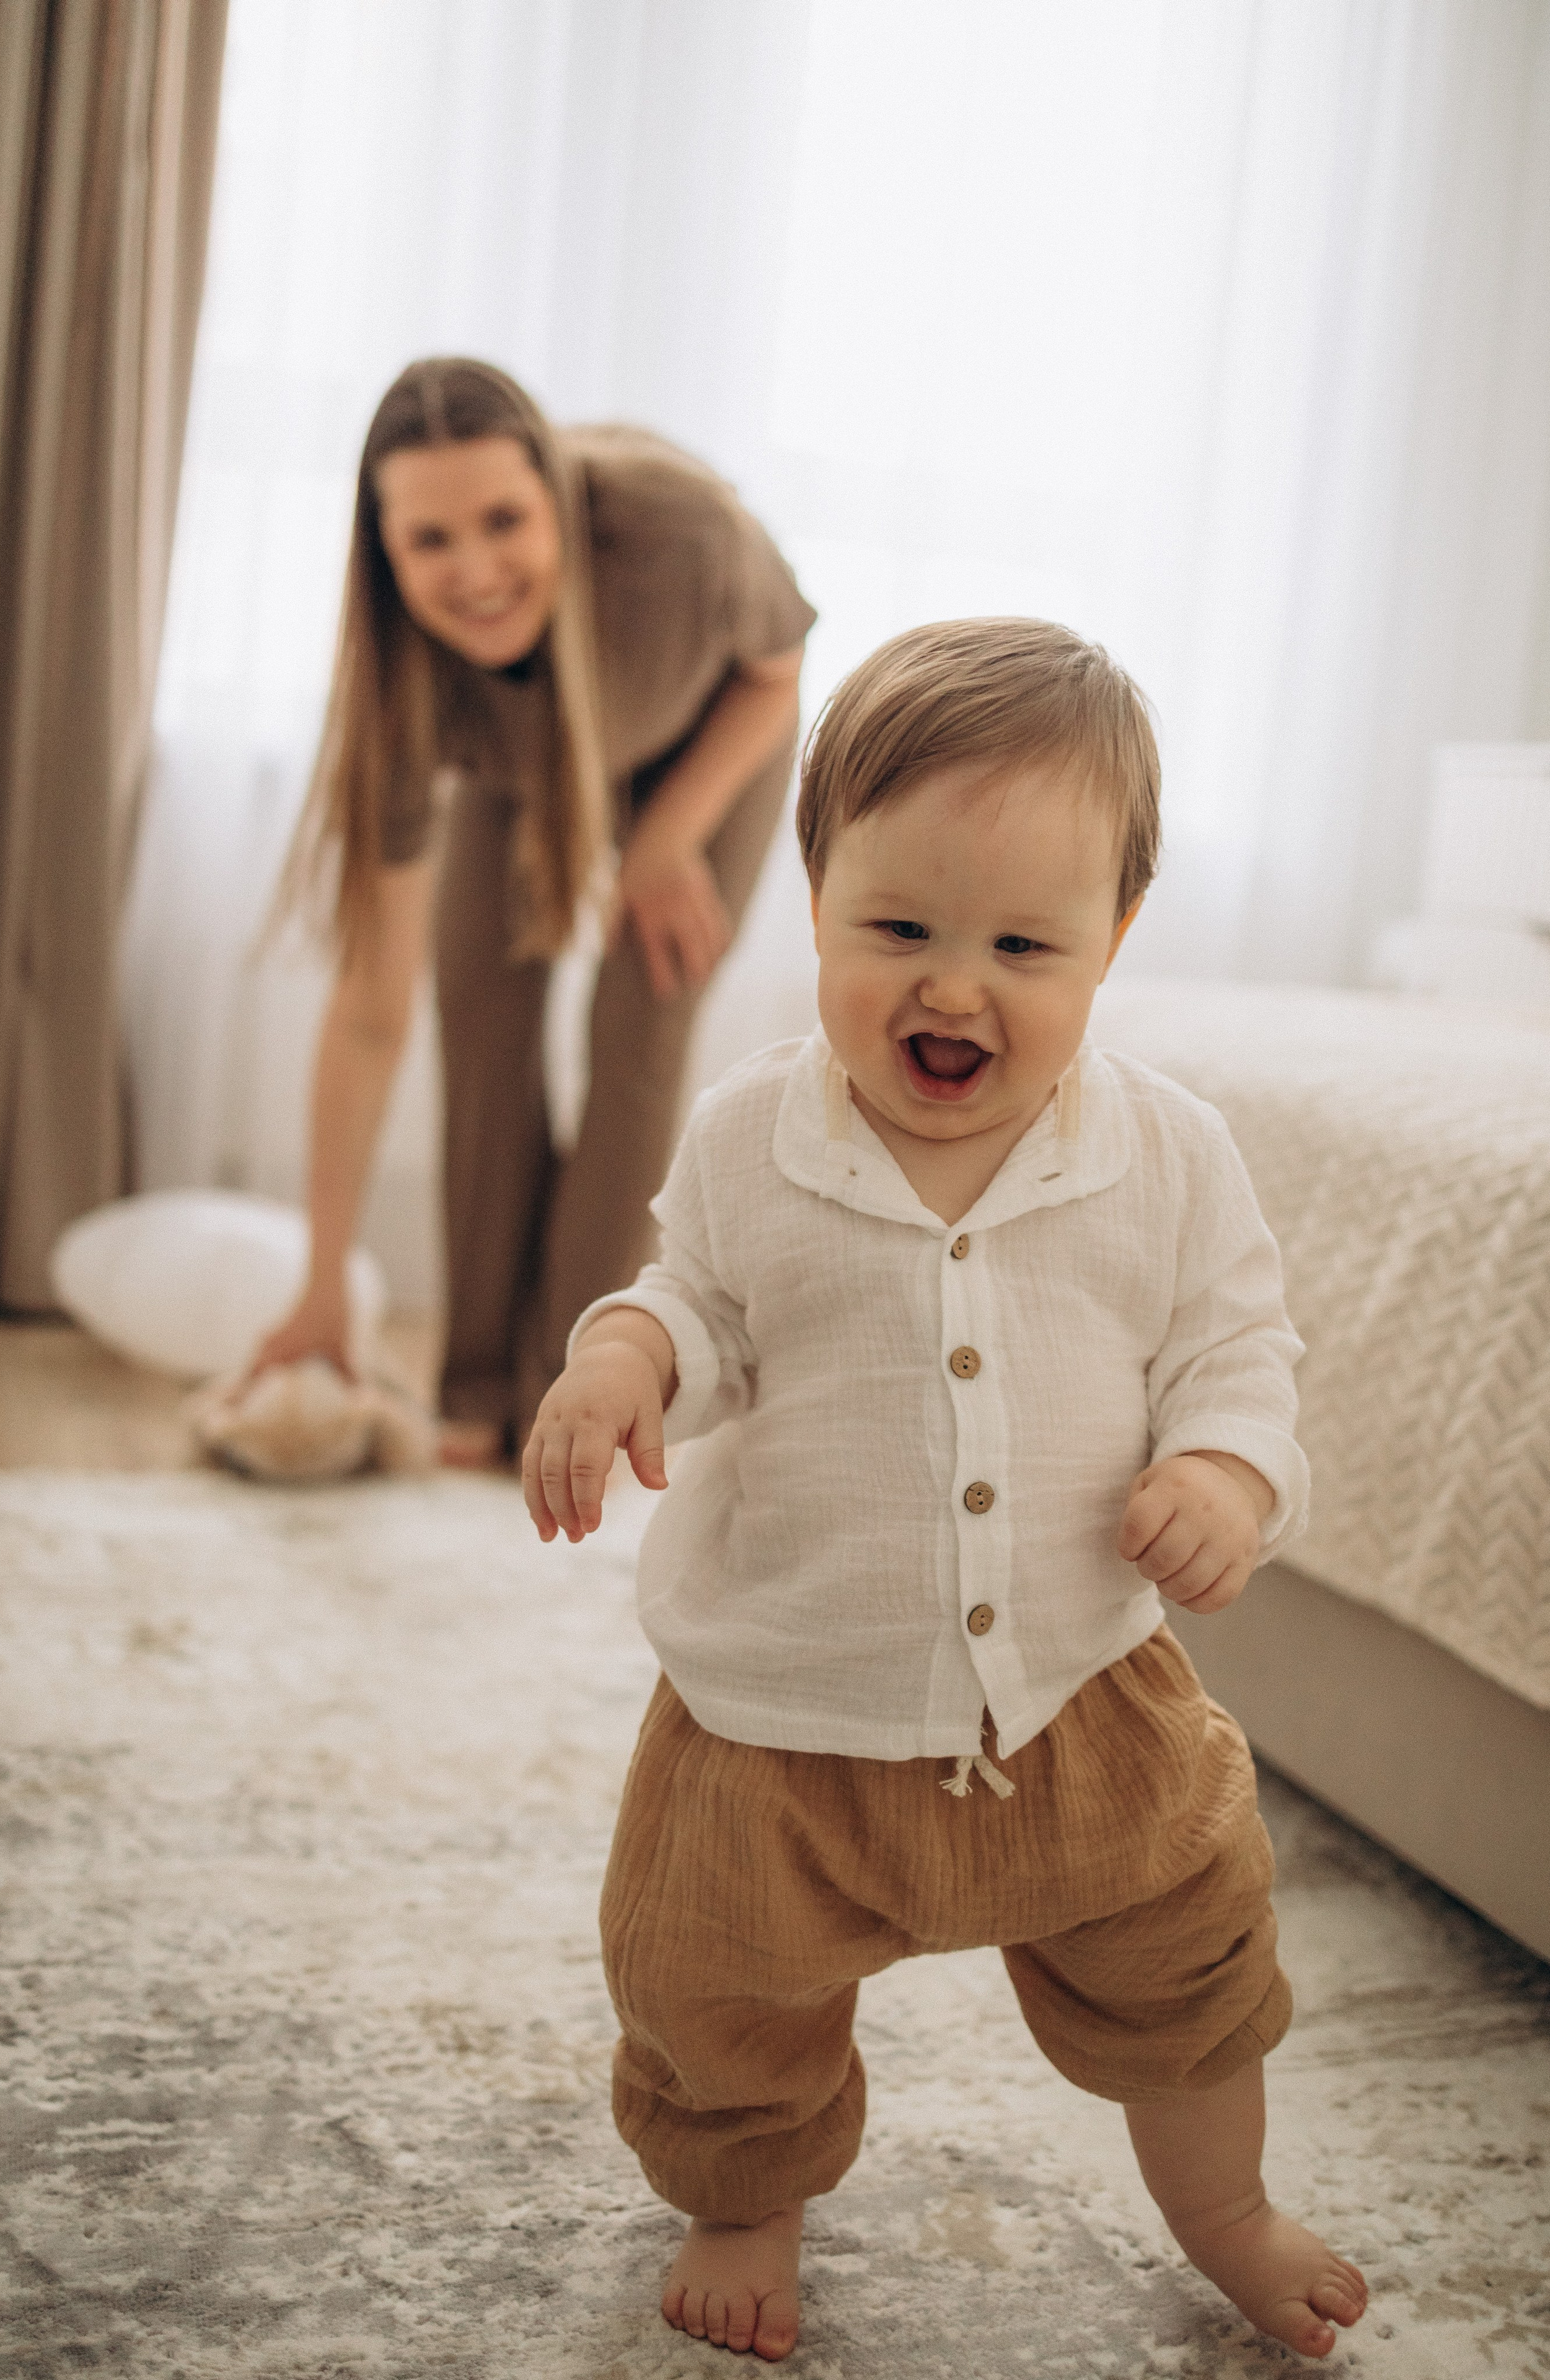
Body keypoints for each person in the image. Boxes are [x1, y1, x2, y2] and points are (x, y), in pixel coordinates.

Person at [522, 620, 1370, 2363]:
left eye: (1022, 945)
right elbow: (695, 1301)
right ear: (817, 896)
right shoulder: (757, 1134)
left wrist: (1225, 1466)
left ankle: (1226, 2209)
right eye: (896, 930)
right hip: (781, 1717)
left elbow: (1240, 1353)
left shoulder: (1174, 1157)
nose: (951, 988)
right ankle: (748, 2202)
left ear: (1116, 940)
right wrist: (625, 1360)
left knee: (1197, 1961)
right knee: (710, 1983)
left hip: (1077, 1700)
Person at [256, 358, 815, 1458]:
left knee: (638, 1028)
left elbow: (776, 669)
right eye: (430, 541)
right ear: (385, 550)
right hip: (520, 766)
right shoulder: (402, 697)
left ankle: (568, 1391)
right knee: (477, 1007)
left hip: (699, 737)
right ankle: (472, 1389)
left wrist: (664, 839)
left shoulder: (683, 537)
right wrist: (322, 1284)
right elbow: (372, 1010)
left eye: (504, 520)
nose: (474, 573)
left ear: (556, 499)